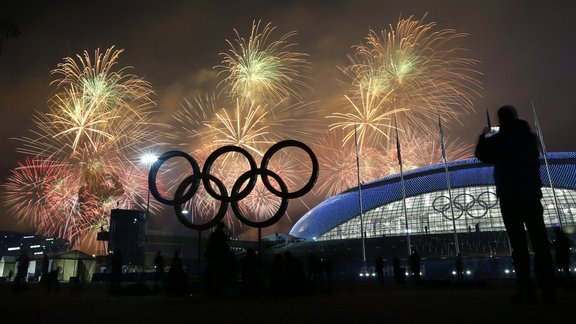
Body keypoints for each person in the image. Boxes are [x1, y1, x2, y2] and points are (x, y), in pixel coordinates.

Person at [475, 105, 556, 303]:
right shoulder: (529, 138)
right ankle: (548, 288)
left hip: (510, 196)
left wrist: (483, 136)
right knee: (540, 242)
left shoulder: (499, 140)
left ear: (501, 120)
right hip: (531, 194)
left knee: (519, 245)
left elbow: (481, 155)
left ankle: (526, 290)